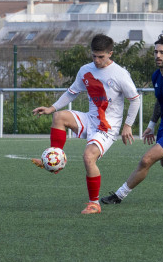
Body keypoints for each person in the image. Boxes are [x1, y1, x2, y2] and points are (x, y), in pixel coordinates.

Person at [32, 34, 141, 214]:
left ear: (110, 54)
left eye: (101, 57)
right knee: (59, 117)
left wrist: (128, 125)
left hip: (107, 127)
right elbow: (71, 92)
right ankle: (54, 158)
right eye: (94, 56)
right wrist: (52, 108)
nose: (97, 60)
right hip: (90, 119)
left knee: (88, 157)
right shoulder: (85, 70)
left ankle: (94, 204)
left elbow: (135, 100)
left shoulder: (120, 74)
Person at [101, 36, 163, 205]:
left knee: (147, 160)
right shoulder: (156, 76)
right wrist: (151, 125)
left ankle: (119, 195)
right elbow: (160, 102)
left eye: (162, 52)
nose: (158, 55)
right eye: (155, 52)